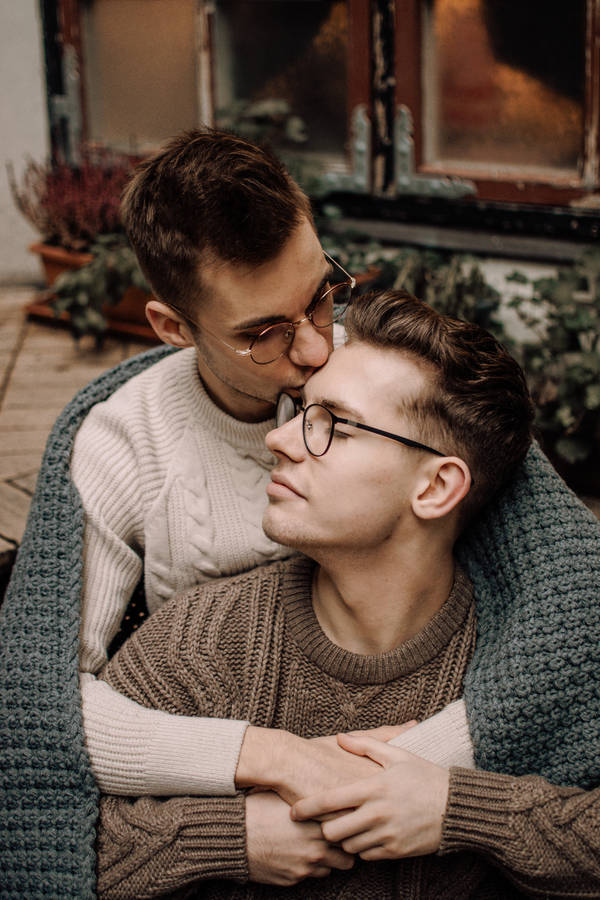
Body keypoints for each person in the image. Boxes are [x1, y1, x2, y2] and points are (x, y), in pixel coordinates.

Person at [95, 291, 600, 899]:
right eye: (300, 412)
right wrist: (230, 837)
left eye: (330, 424)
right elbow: (44, 824)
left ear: (437, 486)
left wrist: (458, 811)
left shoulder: (528, 667)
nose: (278, 442)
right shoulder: (206, 640)